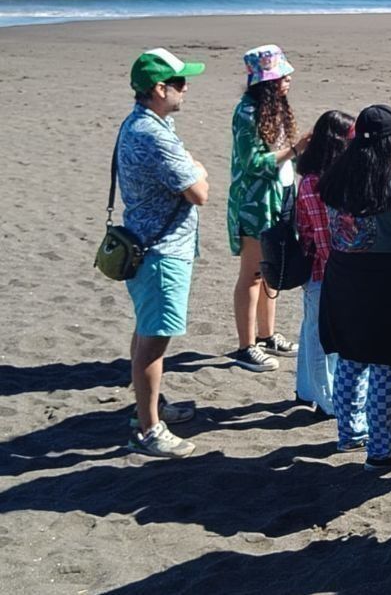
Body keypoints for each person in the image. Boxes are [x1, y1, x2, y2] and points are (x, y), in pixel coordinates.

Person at [319, 104, 391, 470]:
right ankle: (381, 449)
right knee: (388, 365)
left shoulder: (335, 181)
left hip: (343, 280)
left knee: (350, 357)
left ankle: (350, 432)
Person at [119, 49, 209, 458]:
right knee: (154, 341)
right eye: (179, 83)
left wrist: (192, 165)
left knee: (145, 331)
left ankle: (152, 407)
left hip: (146, 244)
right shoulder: (152, 133)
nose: (186, 89)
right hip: (160, 252)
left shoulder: (143, 124)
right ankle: (149, 427)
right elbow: (199, 191)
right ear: (159, 89)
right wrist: (199, 168)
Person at [227, 44, 311, 372]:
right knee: (252, 274)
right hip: (253, 203)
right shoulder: (247, 112)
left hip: (277, 197)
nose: (288, 78)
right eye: (281, 75)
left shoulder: (272, 109)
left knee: (270, 270)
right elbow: (251, 163)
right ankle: (246, 346)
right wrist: (294, 149)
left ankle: (267, 335)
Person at [294, 109, 355, 422]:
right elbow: (322, 237)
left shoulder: (313, 179)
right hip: (322, 271)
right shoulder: (317, 184)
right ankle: (326, 398)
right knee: (321, 339)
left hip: (318, 271)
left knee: (312, 330)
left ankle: (306, 390)